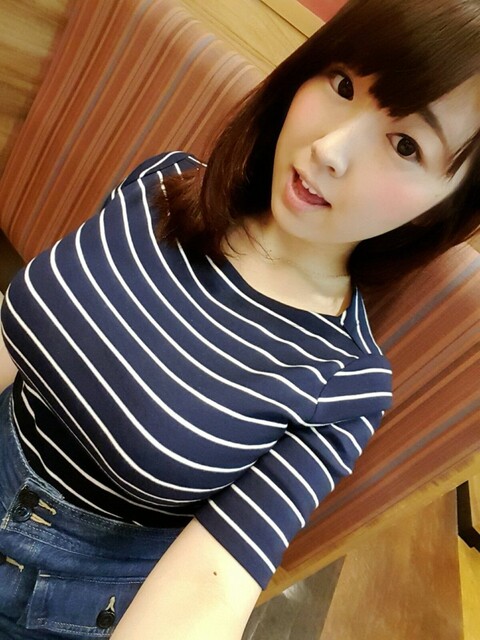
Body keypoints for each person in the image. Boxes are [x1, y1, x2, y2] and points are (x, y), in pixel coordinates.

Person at [0, 0, 478, 637]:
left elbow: (211, 584)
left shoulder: (344, 383)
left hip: (56, 595)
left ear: (446, 205)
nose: (330, 150)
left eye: (406, 144)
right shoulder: (166, 182)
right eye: (342, 85)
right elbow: (20, 336)